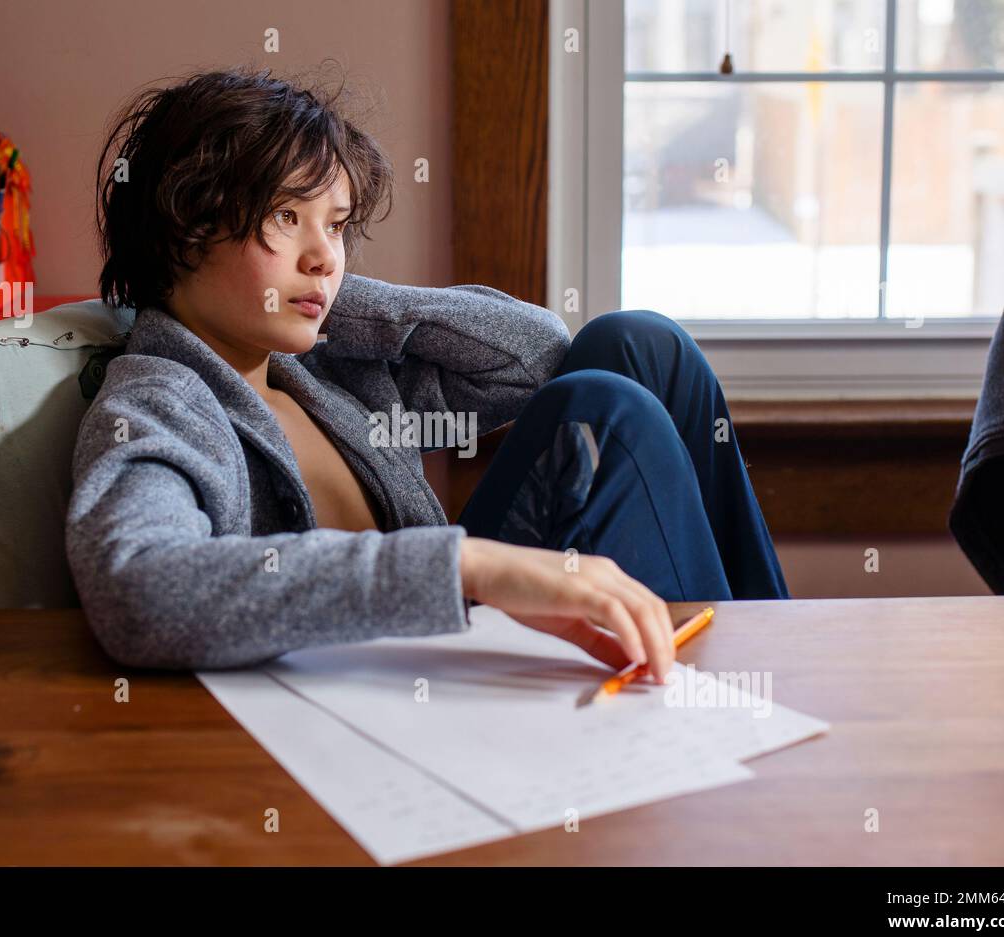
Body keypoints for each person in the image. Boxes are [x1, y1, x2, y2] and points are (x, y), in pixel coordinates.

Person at [66, 63, 788, 682]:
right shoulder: (160, 400)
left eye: (339, 224)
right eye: (287, 216)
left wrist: (334, 302)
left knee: (639, 345)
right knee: (602, 407)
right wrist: (469, 568)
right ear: (184, 226)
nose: (324, 254)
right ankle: (735, 692)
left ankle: (775, 649)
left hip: (445, 640)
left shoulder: (326, 375)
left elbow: (535, 354)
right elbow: (139, 593)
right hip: (373, 692)